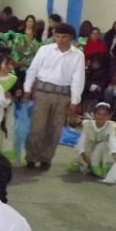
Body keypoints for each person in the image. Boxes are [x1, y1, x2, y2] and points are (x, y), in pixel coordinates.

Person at [24, 22, 85, 171]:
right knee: (37, 127)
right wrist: (27, 89)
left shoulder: (78, 55)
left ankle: (46, 158)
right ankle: (32, 156)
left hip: (63, 95)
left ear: (71, 37)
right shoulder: (45, 50)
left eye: (64, 37)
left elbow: (78, 79)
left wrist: (75, 100)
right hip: (42, 92)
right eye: (57, 36)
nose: (60, 40)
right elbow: (33, 70)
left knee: (55, 129)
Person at [72, 102, 116, 176]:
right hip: (89, 150)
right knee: (85, 155)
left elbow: (112, 141)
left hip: (101, 151)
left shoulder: (110, 126)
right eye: (98, 114)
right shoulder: (88, 125)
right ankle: (89, 165)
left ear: (109, 116)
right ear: (94, 115)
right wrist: (83, 154)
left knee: (104, 145)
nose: (101, 117)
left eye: (104, 115)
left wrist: (115, 153)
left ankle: (97, 165)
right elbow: (81, 141)